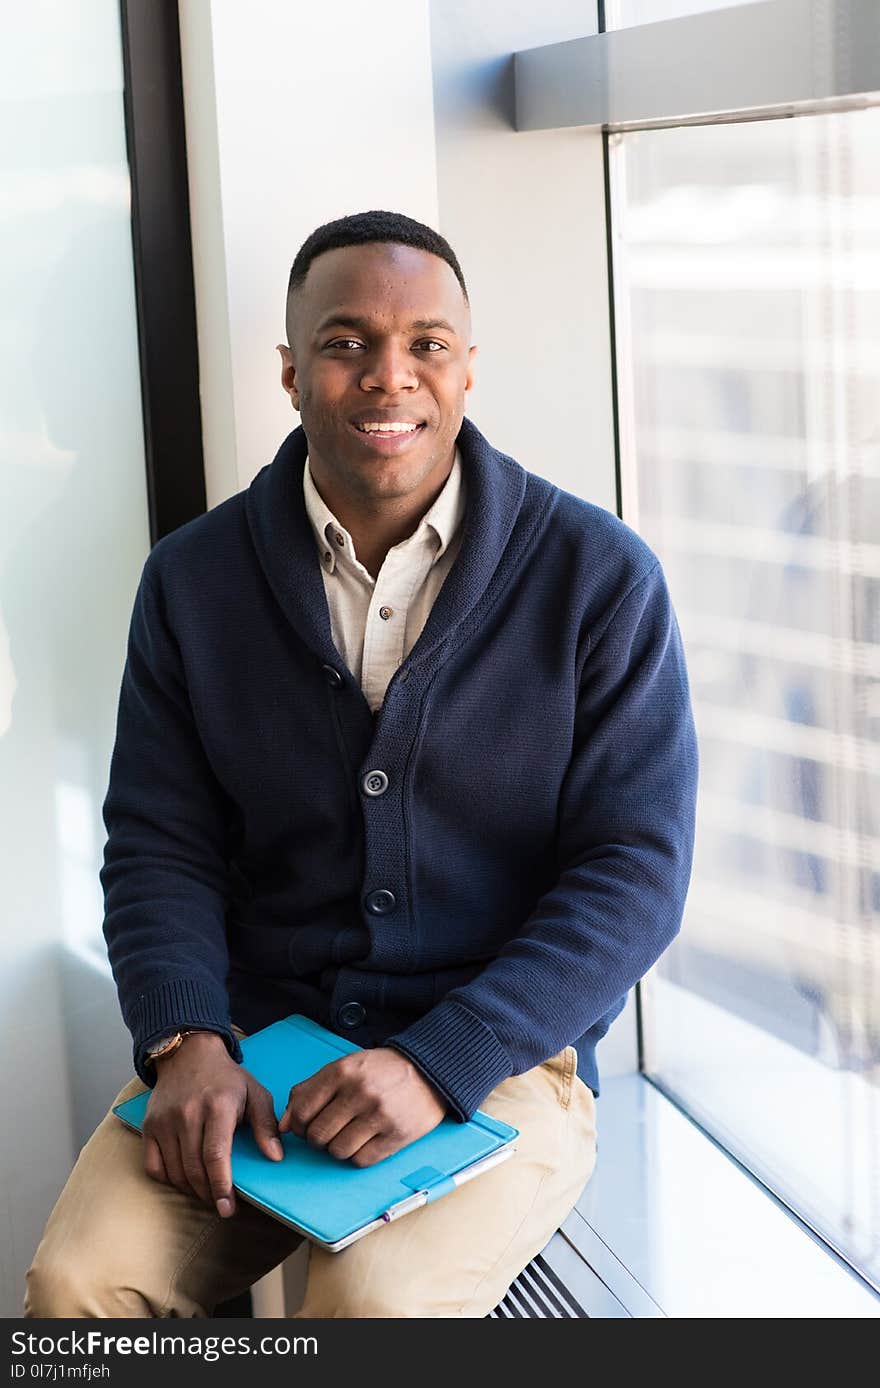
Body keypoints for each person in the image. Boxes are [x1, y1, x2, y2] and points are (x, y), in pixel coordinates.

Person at [25, 210, 698, 1318]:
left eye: (426, 344)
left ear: (467, 369)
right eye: (346, 343)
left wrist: (439, 1060)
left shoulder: (598, 576)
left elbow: (636, 871)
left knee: (374, 1304)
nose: (390, 377)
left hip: (501, 1059)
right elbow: (159, 843)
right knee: (77, 1284)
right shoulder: (193, 582)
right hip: (256, 1055)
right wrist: (184, 1035)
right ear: (291, 373)